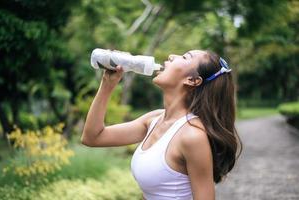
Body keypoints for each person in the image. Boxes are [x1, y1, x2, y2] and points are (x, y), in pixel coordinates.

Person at [81, 50, 242, 200]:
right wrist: (107, 84)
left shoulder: (192, 136)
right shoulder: (154, 119)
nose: (172, 56)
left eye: (185, 57)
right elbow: (93, 137)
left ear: (192, 80)